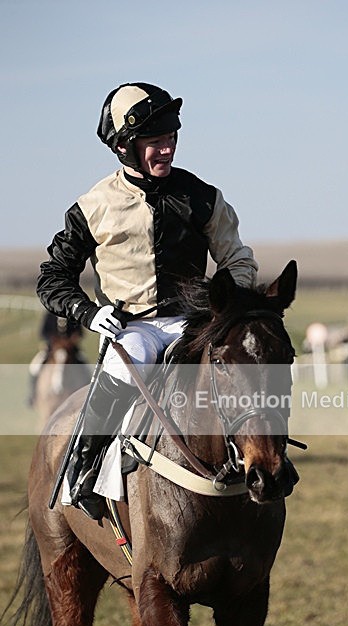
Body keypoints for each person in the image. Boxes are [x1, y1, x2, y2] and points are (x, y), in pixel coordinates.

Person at [37, 82, 258, 519]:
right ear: (124, 146)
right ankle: (83, 468)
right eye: (155, 141)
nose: (167, 149)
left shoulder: (202, 197)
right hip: (130, 327)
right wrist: (88, 313)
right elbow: (52, 277)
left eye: (171, 138)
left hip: (193, 323)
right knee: (129, 361)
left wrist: (226, 300)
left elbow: (237, 257)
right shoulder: (93, 206)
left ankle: (262, 455)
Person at [27, 312, 87, 407]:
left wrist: (71, 340)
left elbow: (80, 333)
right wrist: (54, 340)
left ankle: (88, 394)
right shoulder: (50, 314)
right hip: (52, 349)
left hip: (71, 350)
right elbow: (43, 333)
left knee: (85, 365)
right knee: (35, 366)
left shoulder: (73, 314)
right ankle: (33, 394)